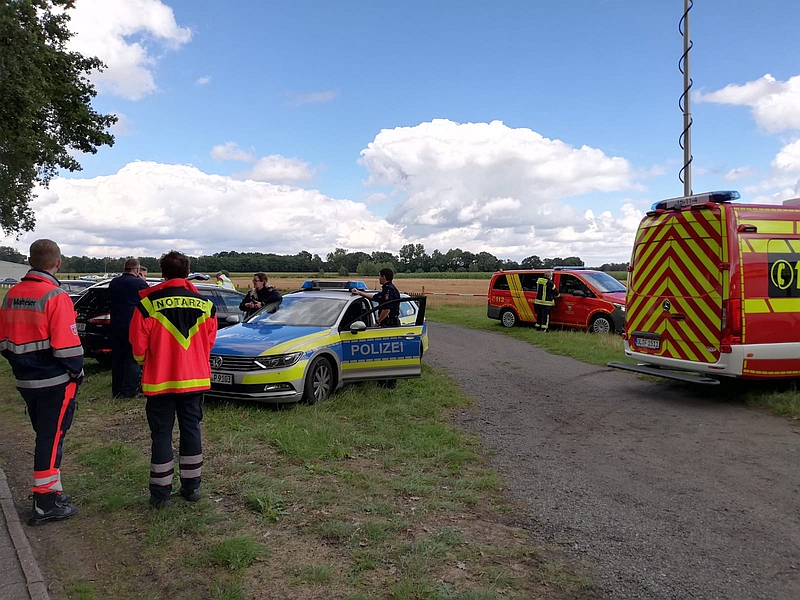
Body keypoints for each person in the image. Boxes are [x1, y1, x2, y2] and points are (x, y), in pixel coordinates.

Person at [0, 239, 83, 525]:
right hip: (54, 381)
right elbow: (69, 349)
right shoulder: (56, 296)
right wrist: (76, 373)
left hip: (25, 381)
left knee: (47, 435)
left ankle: (52, 491)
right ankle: (44, 503)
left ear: (29, 260)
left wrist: (22, 365)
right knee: (50, 439)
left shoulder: (12, 294)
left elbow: (3, 341)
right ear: (57, 263)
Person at [130, 251, 217, 509]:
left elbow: (137, 347)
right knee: (191, 430)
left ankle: (161, 493)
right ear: (188, 273)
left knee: (161, 435)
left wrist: (150, 364)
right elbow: (208, 343)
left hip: (159, 382)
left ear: (163, 273)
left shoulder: (147, 304)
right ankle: (191, 488)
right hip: (195, 381)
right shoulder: (207, 305)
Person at [109, 259, 149, 398]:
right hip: (132, 326)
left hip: (115, 325)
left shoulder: (114, 282)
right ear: (137, 270)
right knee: (132, 359)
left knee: (117, 359)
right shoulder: (139, 284)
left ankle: (117, 390)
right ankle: (130, 391)